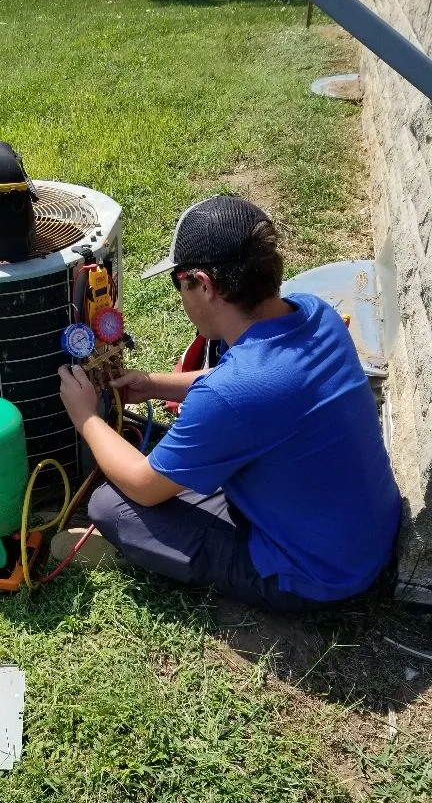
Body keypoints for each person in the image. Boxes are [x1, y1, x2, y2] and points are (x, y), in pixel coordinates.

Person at [57, 194, 401, 612]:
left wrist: (86, 418)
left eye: (179, 283)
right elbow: (238, 383)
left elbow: (144, 486)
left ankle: (154, 552)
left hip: (315, 575)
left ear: (204, 284)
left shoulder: (234, 394)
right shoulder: (315, 314)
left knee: (110, 504)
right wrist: (152, 385)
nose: (182, 296)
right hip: (365, 535)